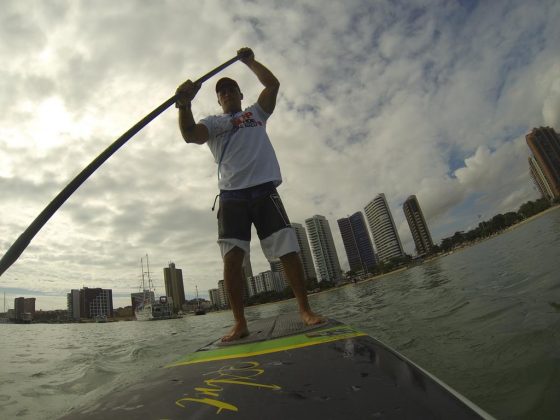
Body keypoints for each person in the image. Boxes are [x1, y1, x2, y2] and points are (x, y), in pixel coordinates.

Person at [176, 47, 324, 341]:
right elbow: (191, 134)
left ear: (241, 94)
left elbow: (272, 85)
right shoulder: (214, 123)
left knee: (288, 250)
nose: (228, 93)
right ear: (218, 100)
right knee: (232, 260)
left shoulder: (256, 113)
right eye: (223, 92)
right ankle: (240, 322)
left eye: (232, 89)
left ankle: (305, 310)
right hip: (232, 196)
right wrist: (183, 105)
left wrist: (250, 61)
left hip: (264, 190)